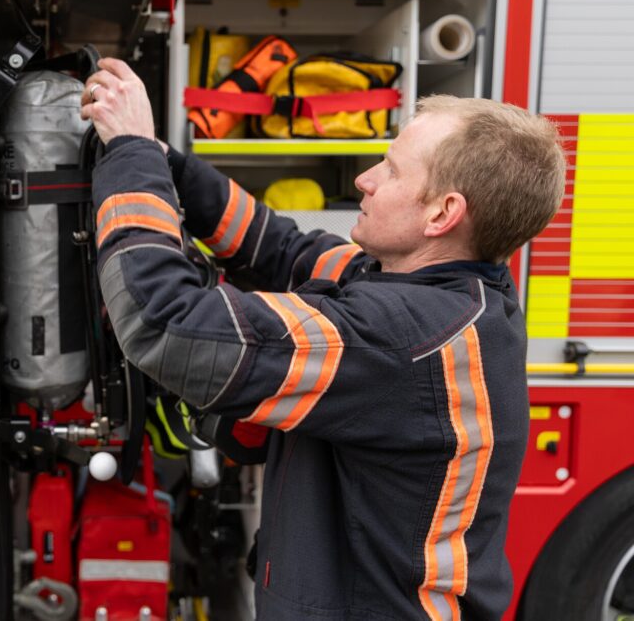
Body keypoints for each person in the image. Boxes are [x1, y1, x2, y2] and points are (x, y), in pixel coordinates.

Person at [80, 58, 566, 620]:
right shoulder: (446, 288)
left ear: (442, 214)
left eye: (391, 169)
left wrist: (132, 157)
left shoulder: (404, 338)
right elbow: (282, 250)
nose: (365, 179)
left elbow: (163, 321)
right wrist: (167, 165)